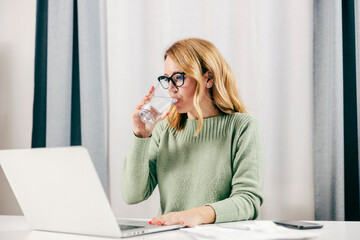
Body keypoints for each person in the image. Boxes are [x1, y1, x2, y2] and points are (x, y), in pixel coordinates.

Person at [121, 38, 264, 227]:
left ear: (208, 78)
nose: (171, 88)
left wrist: (196, 215)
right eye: (167, 78)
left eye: (178, 78)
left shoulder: (242, 127)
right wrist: (141, 135)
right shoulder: (164, 129)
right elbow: (133, 195)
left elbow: (248, 201)